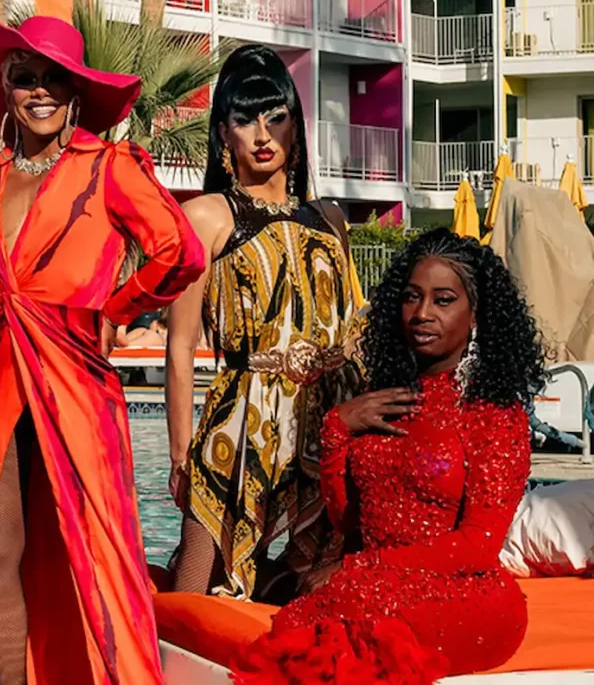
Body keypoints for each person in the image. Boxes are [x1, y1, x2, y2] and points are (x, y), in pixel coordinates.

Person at [0, 14, 206, 685]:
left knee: (99, 548)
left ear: (77, 89)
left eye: (55, 78)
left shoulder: (109, 166)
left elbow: (181, 252)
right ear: (6, 89)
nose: (40, 91)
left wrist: (117, 306)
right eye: (25, 78)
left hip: (73, 373)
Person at [231, 228, 548, 683]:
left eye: (443, 300)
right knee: (313, 623)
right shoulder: (381, 399)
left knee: (342, 624)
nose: (421, 314)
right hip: (371, 581)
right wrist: (337, 430)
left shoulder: (493, 413)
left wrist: (360, 568)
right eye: (411, 297)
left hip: (465, 595)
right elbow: (349, 522)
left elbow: (478, 546)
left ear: (476, 314)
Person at [165, 44, 360, 602]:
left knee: (321, 592)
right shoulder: (204, 217)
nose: (262, 134)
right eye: (244, 119)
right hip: (237, 424)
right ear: (223, 133)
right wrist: (181, 455)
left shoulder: (331, 219)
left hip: (324, 424)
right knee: (194, 593)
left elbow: (353, 332)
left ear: (296, 127)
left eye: (276, 117)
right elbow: (179, 350)